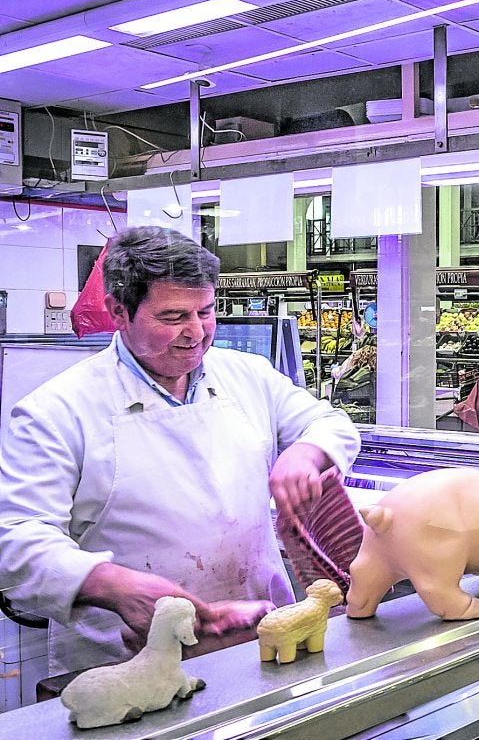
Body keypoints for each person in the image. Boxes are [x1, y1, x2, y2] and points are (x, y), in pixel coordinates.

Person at [0, 226, 361, 676]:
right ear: (119, 311)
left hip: (262, 632)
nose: (196, 332)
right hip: (127, 656)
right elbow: (16, 539)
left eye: (206, 312)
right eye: (172, 317)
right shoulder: (56, 410)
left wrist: (308, 452)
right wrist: (114, 586)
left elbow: (330, 423)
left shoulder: (248, 375)